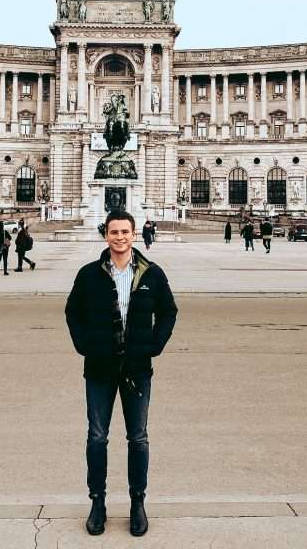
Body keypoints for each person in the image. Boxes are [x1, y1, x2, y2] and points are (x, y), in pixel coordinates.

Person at [65, 209, 178, 537]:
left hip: (137, 368)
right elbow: (73, 312)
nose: (119, 237)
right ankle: (97, 503)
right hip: (99, 367)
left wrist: (154, 345)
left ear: (134, 234)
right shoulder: (89, 274)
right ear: (106, 235)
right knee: (97, 437)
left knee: (138, 438)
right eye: (114, 232)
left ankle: (137, 503)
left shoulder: (152, 273)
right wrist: (85, 345)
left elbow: (169, 311)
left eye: (124, 232)